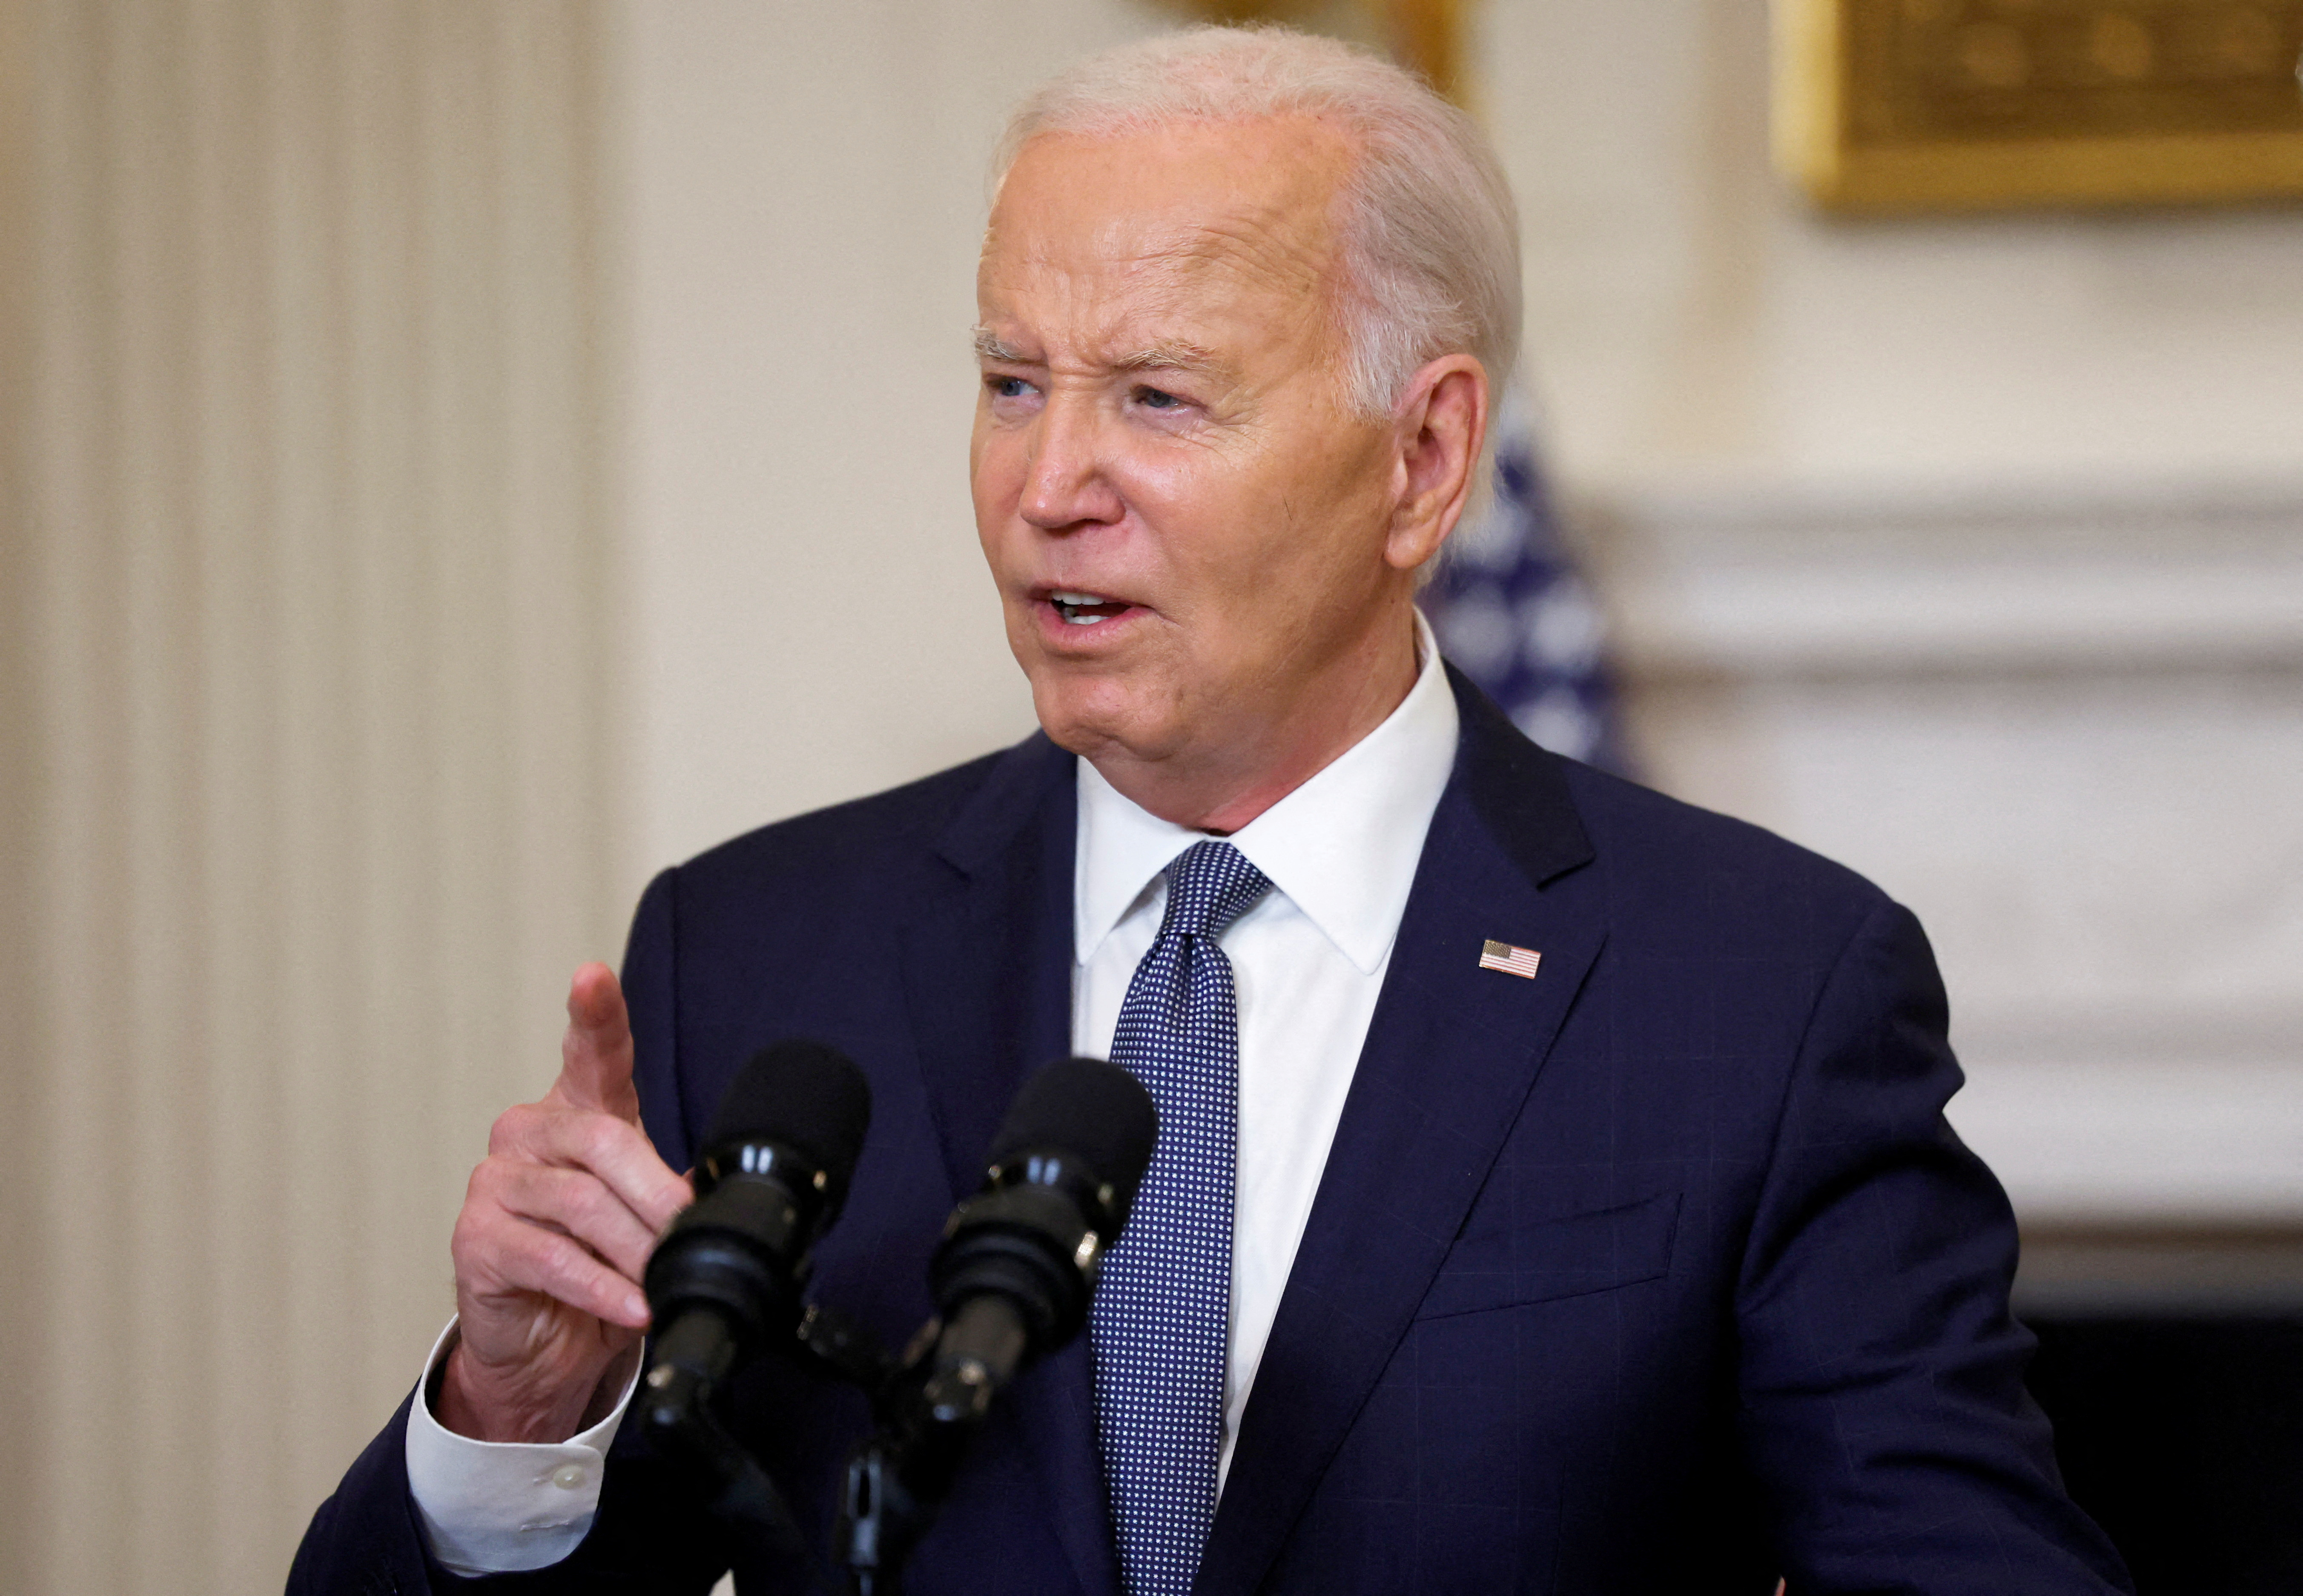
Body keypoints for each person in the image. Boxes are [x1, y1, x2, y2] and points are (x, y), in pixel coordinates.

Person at [291, 26, 2131, 1596]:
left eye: (1159, 398)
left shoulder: (1761, 992)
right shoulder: (764, 957)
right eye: (1013, 382)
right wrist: (516, 1413)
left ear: (1422, 458)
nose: (1049, 483)